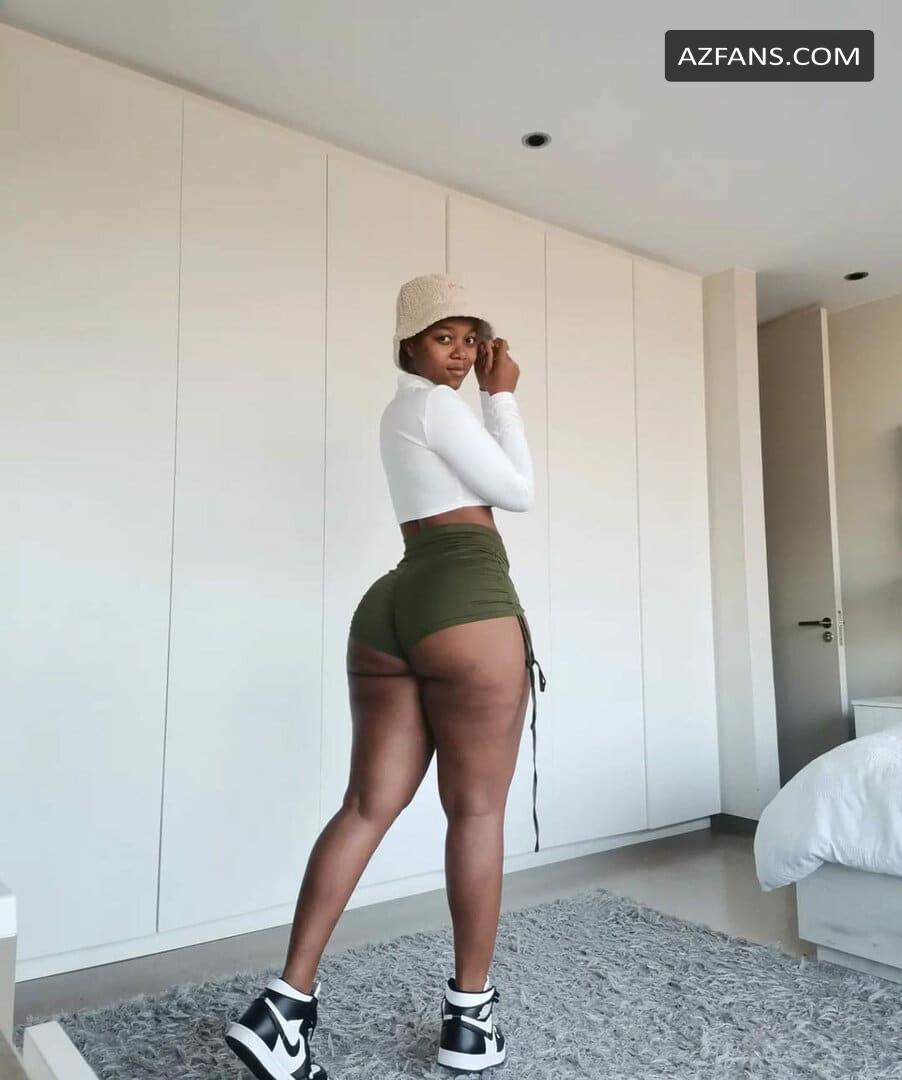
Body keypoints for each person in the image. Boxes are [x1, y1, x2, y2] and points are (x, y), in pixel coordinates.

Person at [225, 272, 546, 1080]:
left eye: (471, 339)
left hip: (393, 605)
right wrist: (502, 396)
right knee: (476, 811)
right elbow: (518, 491)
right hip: (463, 597)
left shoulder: (398, 413)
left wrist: (482, 393)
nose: (462, 353)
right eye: (444, 337)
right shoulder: (442, 407)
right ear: (408, 344)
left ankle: (284, 1007)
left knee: (367, 805)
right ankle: (469, 1021)